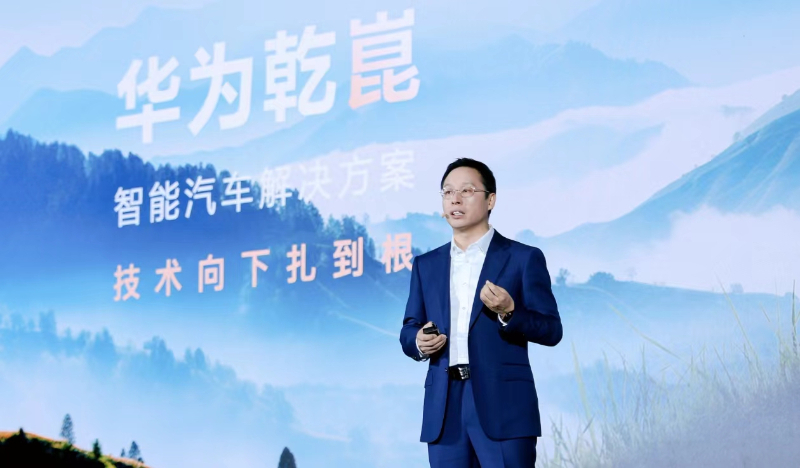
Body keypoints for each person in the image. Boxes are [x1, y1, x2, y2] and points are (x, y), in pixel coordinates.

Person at [399, 158, 563, 467]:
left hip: (504, 406)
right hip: (444, 407)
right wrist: (418, 341)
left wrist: (510, 312)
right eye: (448, 192)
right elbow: (409, 327)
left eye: (466, 190)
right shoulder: (426, 265)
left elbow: (552, 329)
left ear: (490, 200)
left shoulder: (522, 258)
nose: (455, 199)